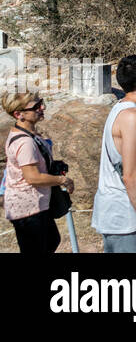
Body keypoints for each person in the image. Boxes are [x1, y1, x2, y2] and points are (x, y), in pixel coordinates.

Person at [91, 54, 136, 253]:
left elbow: (134, 168)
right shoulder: (131, 117)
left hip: (126, 212)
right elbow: (130, 174)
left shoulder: (124, 109)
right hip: (126, 218)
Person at [3, 92, 72, 254]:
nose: (42, 108)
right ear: (19, 114)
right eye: (35, 107)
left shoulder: (29, 135)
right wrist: (62, 180)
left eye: (40, 103)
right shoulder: (25, 142)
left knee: (52, 240)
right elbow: (33, 177)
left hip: (35, 205)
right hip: (27, 208)